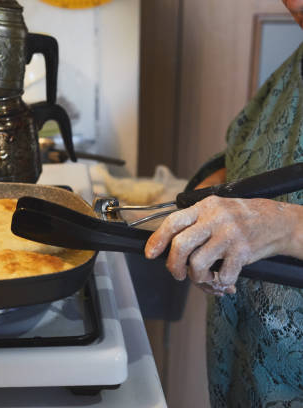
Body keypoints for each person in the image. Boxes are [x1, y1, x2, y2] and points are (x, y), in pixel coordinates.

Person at [144, 0, 303, 406]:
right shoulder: (293, 67)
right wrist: (204, 211)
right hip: (248, 361)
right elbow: (249, 154)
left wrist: (284, 225)